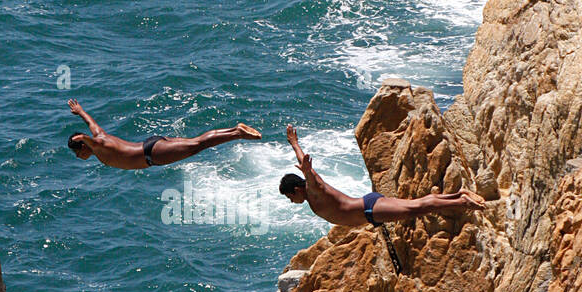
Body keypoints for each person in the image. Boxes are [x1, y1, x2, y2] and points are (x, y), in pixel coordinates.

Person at [280, 124, 486, 225]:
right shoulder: (311, 194)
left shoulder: (313, 191)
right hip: (369, 208)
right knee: (416, 206)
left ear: (297, 189)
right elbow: (303, 164)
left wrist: (306, 169)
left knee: (416, 209)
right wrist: (294, 144)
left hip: (370, 209)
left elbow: (310, 176)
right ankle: (459, 196)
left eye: (290, 197)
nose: (291, 202)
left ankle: (462, 202)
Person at [67, 98, 262, 170]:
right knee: (196, 144)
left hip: (153, 153)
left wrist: (82, 138)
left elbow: (89, 137)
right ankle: (236, 130)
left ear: (84, 145)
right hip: (153, 147)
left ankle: (237, 133)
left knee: (198, 145)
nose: (78, 156)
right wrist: (81, 111)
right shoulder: (100, 137)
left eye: (77, 152)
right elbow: (91, 124)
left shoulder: (99, 145)